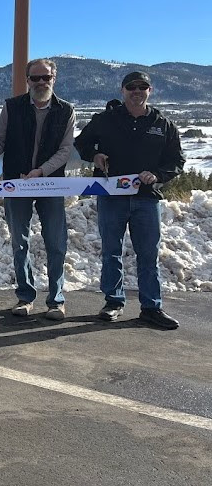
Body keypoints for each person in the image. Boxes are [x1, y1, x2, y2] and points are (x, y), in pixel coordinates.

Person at [74, 71, 185, 330]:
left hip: (147, 199)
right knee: (111, 251)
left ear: (150, 91)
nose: (137, 91)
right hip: (112, 196)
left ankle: (151, 308)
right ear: (122, 90)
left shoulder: (163, 124)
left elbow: (177, 161)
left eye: (142, 87)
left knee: (148, 254)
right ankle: (113, 302)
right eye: (131, 87)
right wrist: (96, 155)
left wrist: (157, 175)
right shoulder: (105, 119)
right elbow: (82, 144)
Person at [0, 58, 75, 320]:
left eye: (46, 77)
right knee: (19, 241)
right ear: (28, 80)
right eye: (35, 78)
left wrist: (42, 171)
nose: (41, 82)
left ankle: (56, 300)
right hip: (16, 182)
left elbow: (66, 149)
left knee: (56, 243)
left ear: (54, 79)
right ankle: (25, 296)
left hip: (50, 183)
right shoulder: (12, 107)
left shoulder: (66, 110)